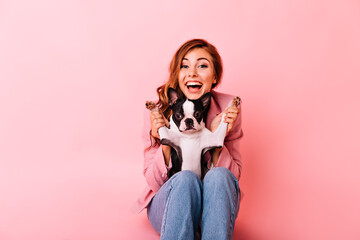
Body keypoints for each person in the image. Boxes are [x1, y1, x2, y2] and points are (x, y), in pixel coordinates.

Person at [134, 39, 243, 240]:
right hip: (170, 205)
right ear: (178, 73)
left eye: (202, 65)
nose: (192, 72)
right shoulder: (159, 110)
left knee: (220, 176)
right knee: (185, 180)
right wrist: (165, 142)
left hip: (214, 211)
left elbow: (233, 178)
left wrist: (214, 135)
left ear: (215, 76)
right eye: (185, 65)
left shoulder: (228, 107)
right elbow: (154, 182)